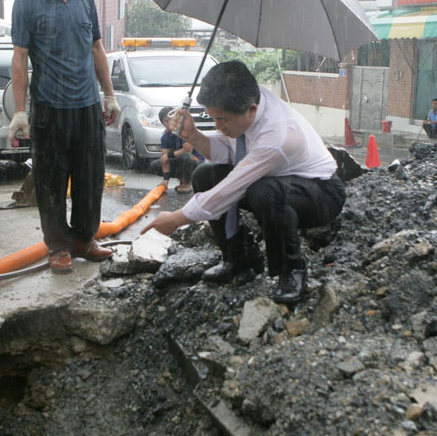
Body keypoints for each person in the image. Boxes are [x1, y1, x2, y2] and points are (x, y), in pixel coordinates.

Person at [140, 61, 345, 306]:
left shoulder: (277, 136)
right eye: (213, 118)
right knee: (205, 174)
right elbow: (225, 153)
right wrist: (192, 135)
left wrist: (177, 218)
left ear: (251, 109)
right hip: (280, 181)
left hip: (321, 193)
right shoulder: (247, 105)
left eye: (222, 119)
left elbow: (231, 188)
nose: (218, 126)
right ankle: (240, 259)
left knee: (264, 191)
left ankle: (291, 272)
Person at [9, 0, 121, 274]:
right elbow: (20, 57)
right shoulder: (27, 2)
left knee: (90, 177)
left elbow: (97, 48)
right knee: (51, 180)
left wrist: (110, 94)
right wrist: (20, 111)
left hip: (87, 106)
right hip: (49, 108)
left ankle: (85, 239)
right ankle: (58, 246)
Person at [148, 106, 204, 193]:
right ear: (163, 124)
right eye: (166, 121)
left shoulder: (185, 129)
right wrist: (165, 180)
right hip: (181, 161)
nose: (169, 122)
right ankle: (182, 178)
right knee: (154, 165)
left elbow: (188, 149)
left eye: (171, 119)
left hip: (197, 163)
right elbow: (164, 158)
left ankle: (187, 182)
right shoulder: (165, 136)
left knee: (185, 157)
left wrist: (170, 155)